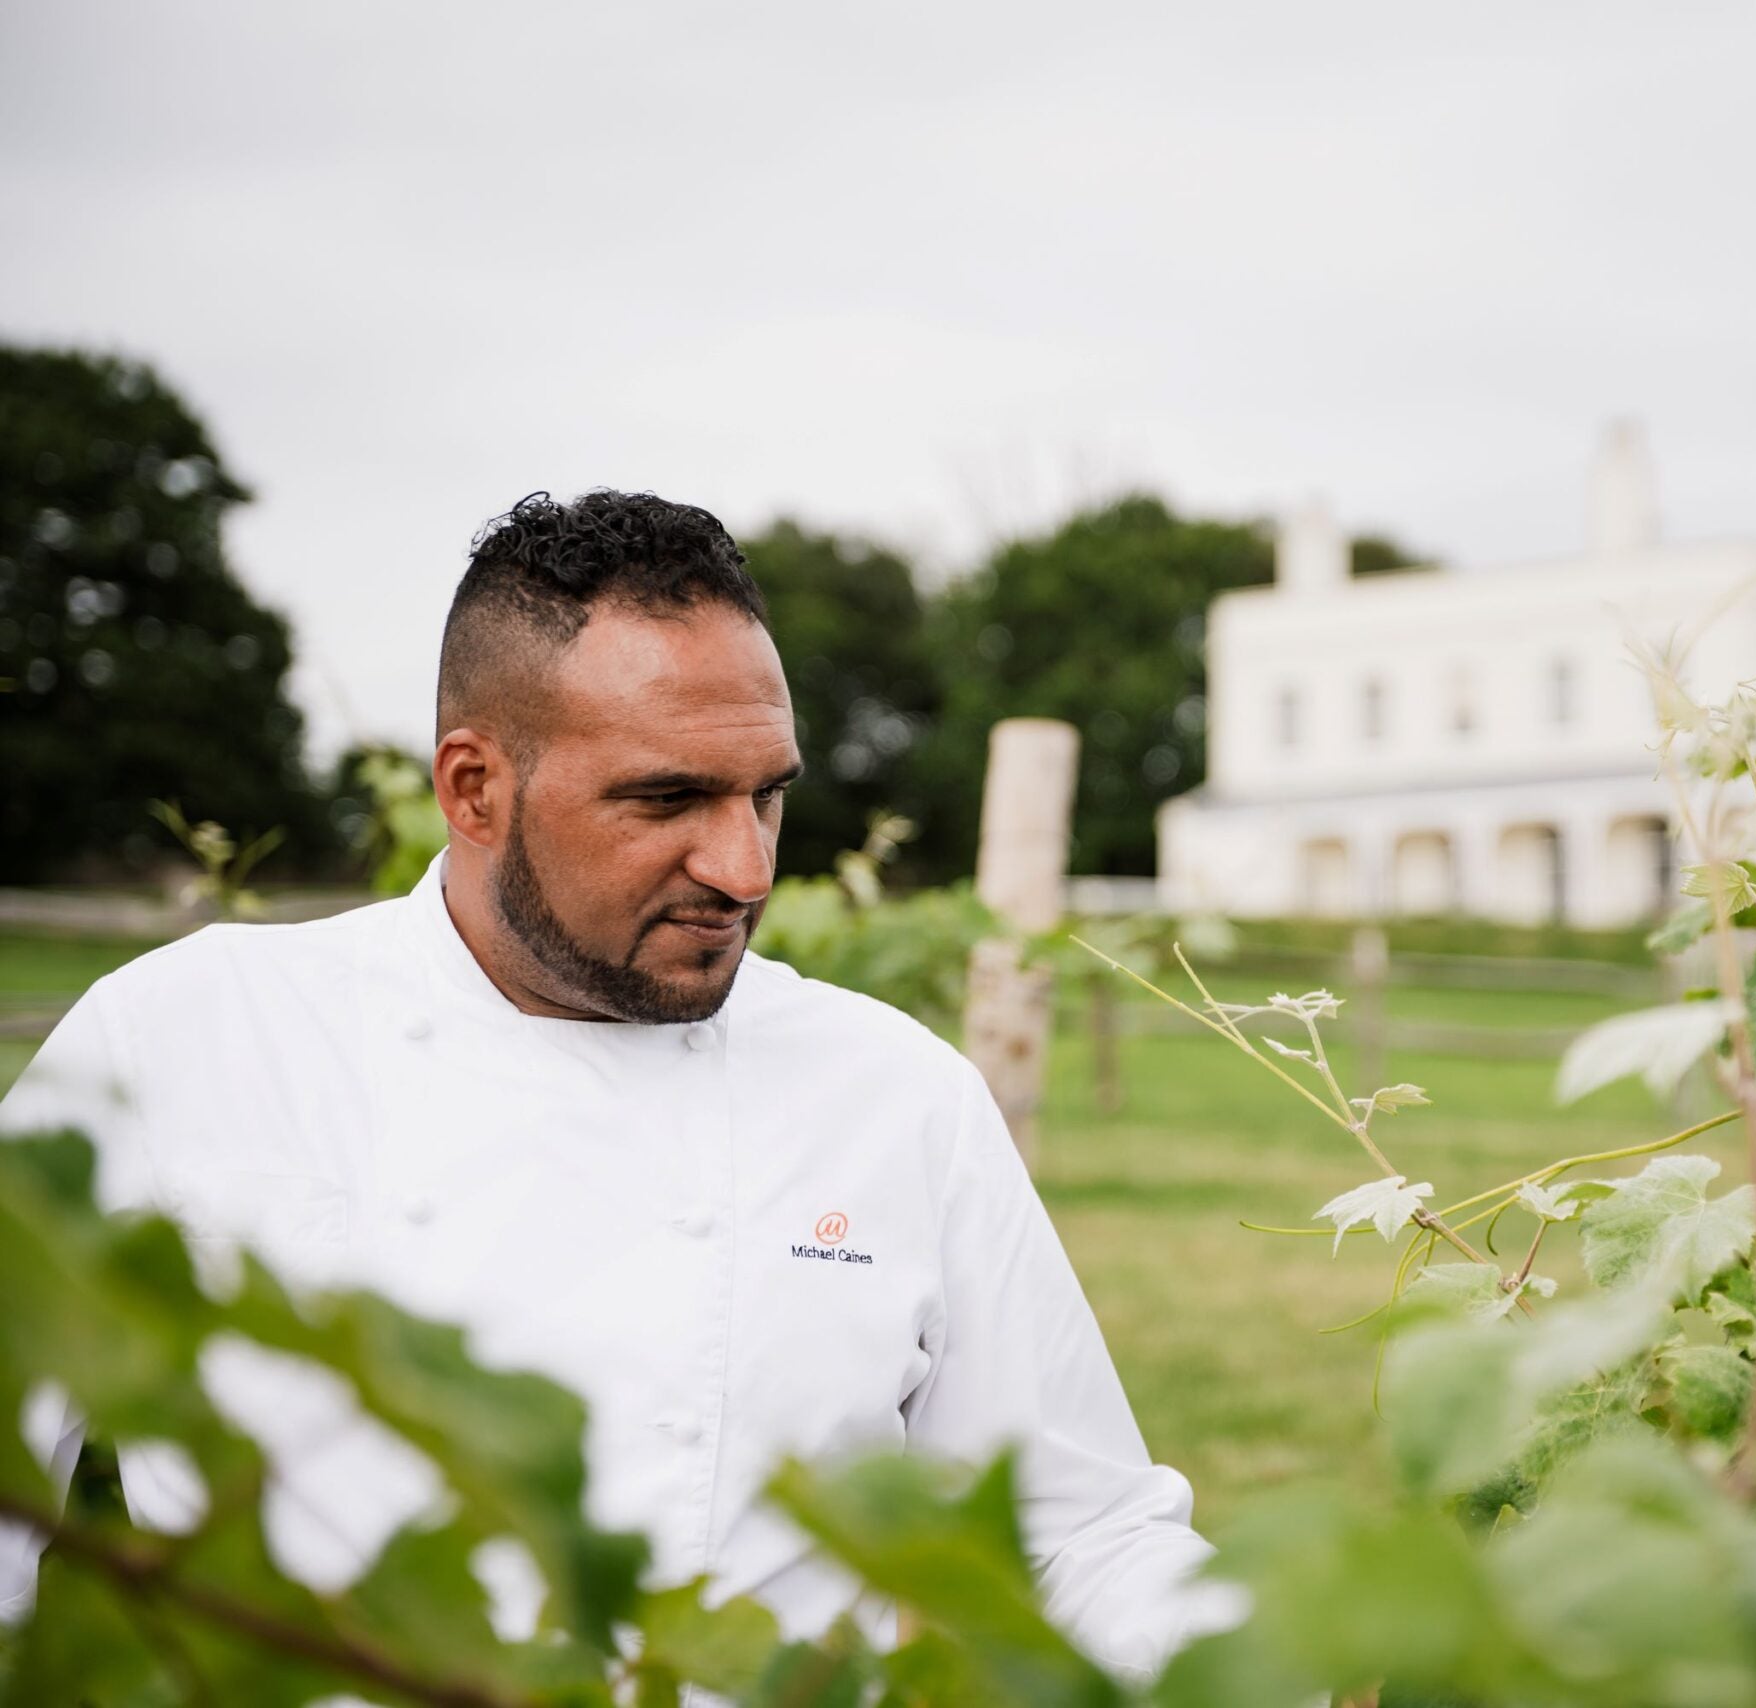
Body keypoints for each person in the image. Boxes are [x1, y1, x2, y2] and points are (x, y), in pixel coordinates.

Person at [0, 489, 1236, 1681]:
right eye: (669, 797)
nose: (743, 867)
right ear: (473, 788)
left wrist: (1275, 1666)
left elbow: (1079, 1535)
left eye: (768, 794)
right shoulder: (187, 1039)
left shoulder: (898, 1095)